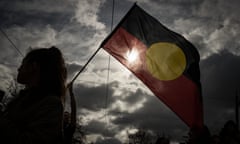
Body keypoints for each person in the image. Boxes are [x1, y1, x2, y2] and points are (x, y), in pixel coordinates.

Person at [0, 46, 67, 144]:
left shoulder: (52, 104)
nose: (19, 69)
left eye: (22, 64)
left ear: (33, 66)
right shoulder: (21, 99)